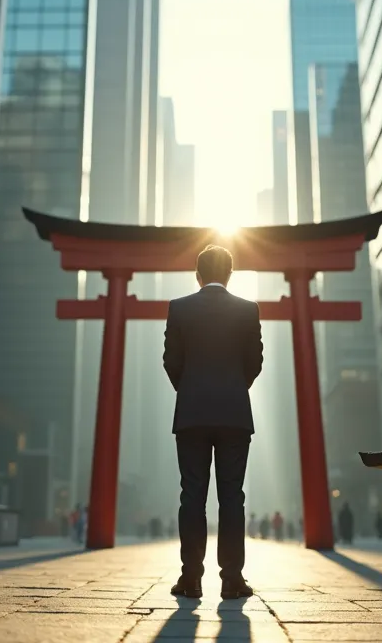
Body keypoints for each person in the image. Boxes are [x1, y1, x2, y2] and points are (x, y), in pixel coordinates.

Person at [164, 245, 263, 601]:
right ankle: (232, 580)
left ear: (198, 274)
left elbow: (170, 361)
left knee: (192, 496)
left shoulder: (179, 308)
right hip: (235, 413)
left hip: (191, 413)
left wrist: (189, 388)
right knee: (232, 497)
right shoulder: (248, 310)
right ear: (230, 274)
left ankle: (190, 578)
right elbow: (255, 362)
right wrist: (235, 387)